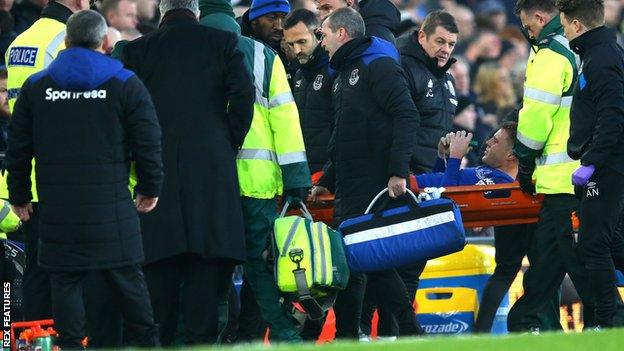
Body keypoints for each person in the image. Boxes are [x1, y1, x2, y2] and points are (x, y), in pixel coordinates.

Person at [6, 10, 162, 348]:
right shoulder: (125, 83)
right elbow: (148, 142)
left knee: (65, 283)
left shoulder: (38, 87)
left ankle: (73, 345)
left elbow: (18, 147)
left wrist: (19, 195)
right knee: (129, 283)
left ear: (65, 41)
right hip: (113, 213)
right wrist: (150, 189)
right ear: (104, 41)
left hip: (58, 214)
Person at [120, 0, 254, 345]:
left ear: (163, 11)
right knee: (204, 293)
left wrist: (138, 153)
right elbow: (243, 96)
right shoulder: (222, 43)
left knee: (159, 291)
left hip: (156, 176)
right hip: (209, 178)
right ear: (196, 10)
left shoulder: (138, 51)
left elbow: (126, 111)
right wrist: (228, 141)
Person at [199, 0, 311, 343]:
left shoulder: (186, 51)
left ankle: (214, 340)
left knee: (209, 268)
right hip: (258, 184)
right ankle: (284, 337)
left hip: (207, 185)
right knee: (261, 270)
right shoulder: (264, 57)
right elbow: (286, 120)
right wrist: (296, 180)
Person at [312, 7, 421, 339]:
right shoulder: (343, 73)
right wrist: (327, 181)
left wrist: (397, 172)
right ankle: (349, 335)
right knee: (356, 260)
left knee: (369, 260)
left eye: (324, 33)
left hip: (374, 183)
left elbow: (407, 116)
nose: (322, 40)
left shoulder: (379, 65)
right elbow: (345, 138)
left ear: (342, 33)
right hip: (349, 182)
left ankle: (408, 330)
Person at [363, 9, 458, 339]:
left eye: (451, 43)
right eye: (440, 41)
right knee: (398, 262)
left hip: (428, 177)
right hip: (404, 178)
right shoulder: (405, 66)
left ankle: (389, 333)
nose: (446, 49)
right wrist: (398, 170)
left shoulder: (444, 75)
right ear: (422, 36)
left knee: (409, 262)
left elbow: (434, 126)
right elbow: (398, 122)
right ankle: (386, 331)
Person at [506, 0, 596, 333]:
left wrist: (525, 163)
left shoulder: (549, 56)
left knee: (577, 266)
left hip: (562, 182)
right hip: (583, 174)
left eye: (529, 27)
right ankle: (526, 322)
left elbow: (534, 121)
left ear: (542, 18)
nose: (528, 34)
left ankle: (609, 320)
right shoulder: (578, 49)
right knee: (547, 264)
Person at [3, 0, 90, 322]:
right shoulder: (68, 41)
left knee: (37, 272)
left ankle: (33, 339)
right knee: (70, 273)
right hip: (63, 179)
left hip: (32, 176)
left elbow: (19, 117)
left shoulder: (20, 42)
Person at [558, 0, 624, 329]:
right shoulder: (598, 54)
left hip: (608, 164)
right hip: (607, 162)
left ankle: (608, 323)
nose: (565, 31)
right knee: (613, 244)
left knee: (593, 243)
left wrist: (593, 162)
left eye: (565, 25)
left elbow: (613, 114)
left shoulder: (601, 58)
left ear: (577, 25)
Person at [284, 9, 335, 177]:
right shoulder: (299, 74)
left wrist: (329, 173)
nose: (297, 50)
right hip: (306, 174)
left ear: (318, 35)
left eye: (301, 42)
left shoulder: (335, 70)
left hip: (330, 174)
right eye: (291, 44)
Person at [315, 0, 400, 45]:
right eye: (319, 10)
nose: (322, 17)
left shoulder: (377, 36)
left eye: (327, 8)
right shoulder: (324, 37)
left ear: (349, 2)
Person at [238, 0, 291, 67]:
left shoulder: (292, 45)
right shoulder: (235, 42)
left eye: (284, 18)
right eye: (272, 18)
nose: (279, 27)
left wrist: (292, 61)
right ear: (254, 20)